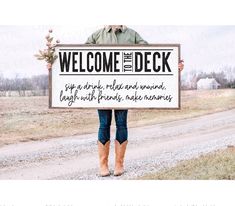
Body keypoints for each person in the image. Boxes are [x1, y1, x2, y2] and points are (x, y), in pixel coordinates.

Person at [47, 25, 184, 177]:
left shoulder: (132, 34)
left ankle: (119, 164)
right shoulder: (97, 35)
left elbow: (150, 56)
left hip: (124, 89)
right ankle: (103, 165)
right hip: (102, 90)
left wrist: (173, 65)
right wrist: (54, 65)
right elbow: (79, 58)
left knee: (121, 124)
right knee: (104, 124)